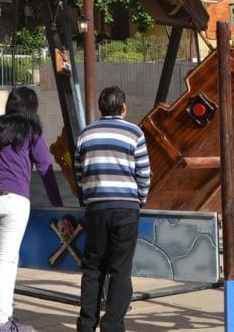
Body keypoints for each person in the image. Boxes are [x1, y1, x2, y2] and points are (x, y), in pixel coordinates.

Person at [0, 86, 64, 332]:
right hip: (12, 200)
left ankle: (7, 316)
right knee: (5, 260)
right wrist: (58, 204)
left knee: (6, 260)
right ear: (31, 107)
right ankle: (2, 324)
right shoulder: (31, 130)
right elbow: (45, 168)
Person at [75, 86, 151, 332]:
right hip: (126, 209)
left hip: (96, 208)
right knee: (120, 270)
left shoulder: (85, 135)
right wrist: (140, 199)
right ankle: (112, 326)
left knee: (93, 269)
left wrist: (89, 197)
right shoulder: (134, 133)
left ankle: (86, 325)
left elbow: (80, 174)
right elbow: (144, 174)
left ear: (101, 107)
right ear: (123, 107)